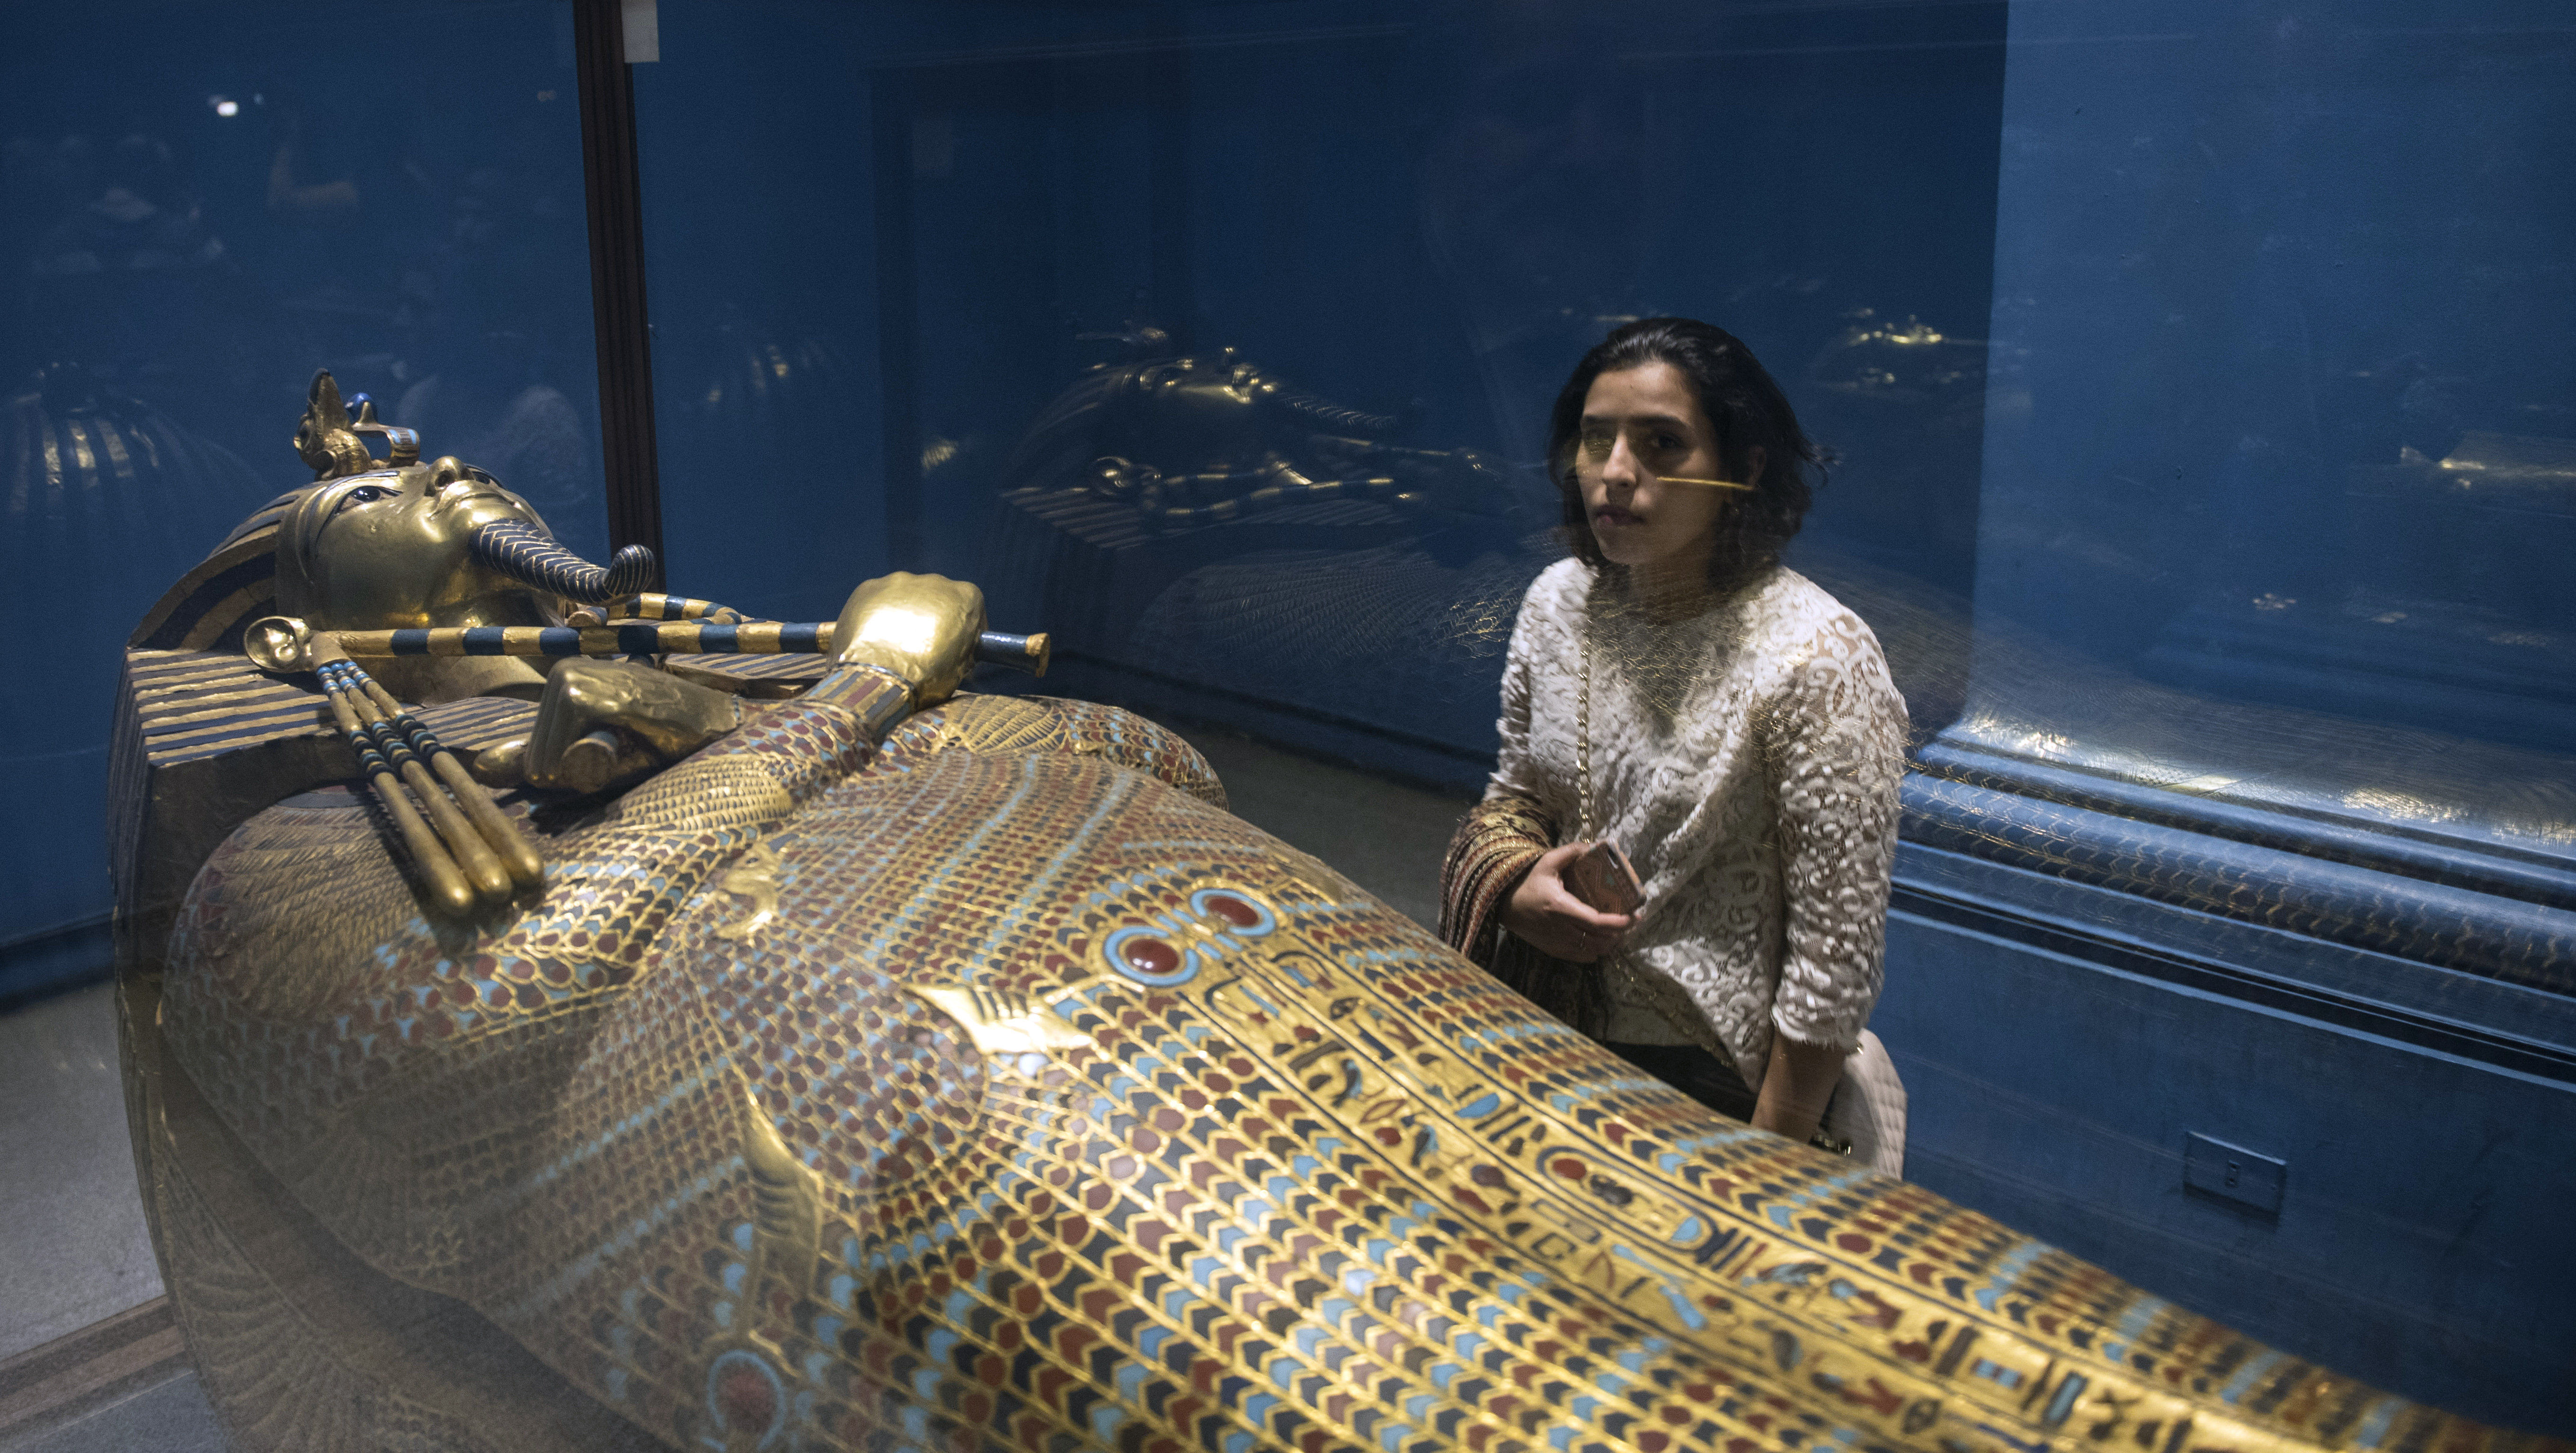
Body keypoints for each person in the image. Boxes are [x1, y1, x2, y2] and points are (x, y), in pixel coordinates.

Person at [1441, 316, 1906, 1152]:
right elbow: (1515, 799)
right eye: (1596, 439)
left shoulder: (1820, 657)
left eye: (1661, 443)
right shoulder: (1557, 602)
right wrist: (1513, 890)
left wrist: (1766, 1167)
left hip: (1708, 1083)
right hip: (1536, 1023)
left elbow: (1831, 971)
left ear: (1744, 468)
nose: (1616, 473)